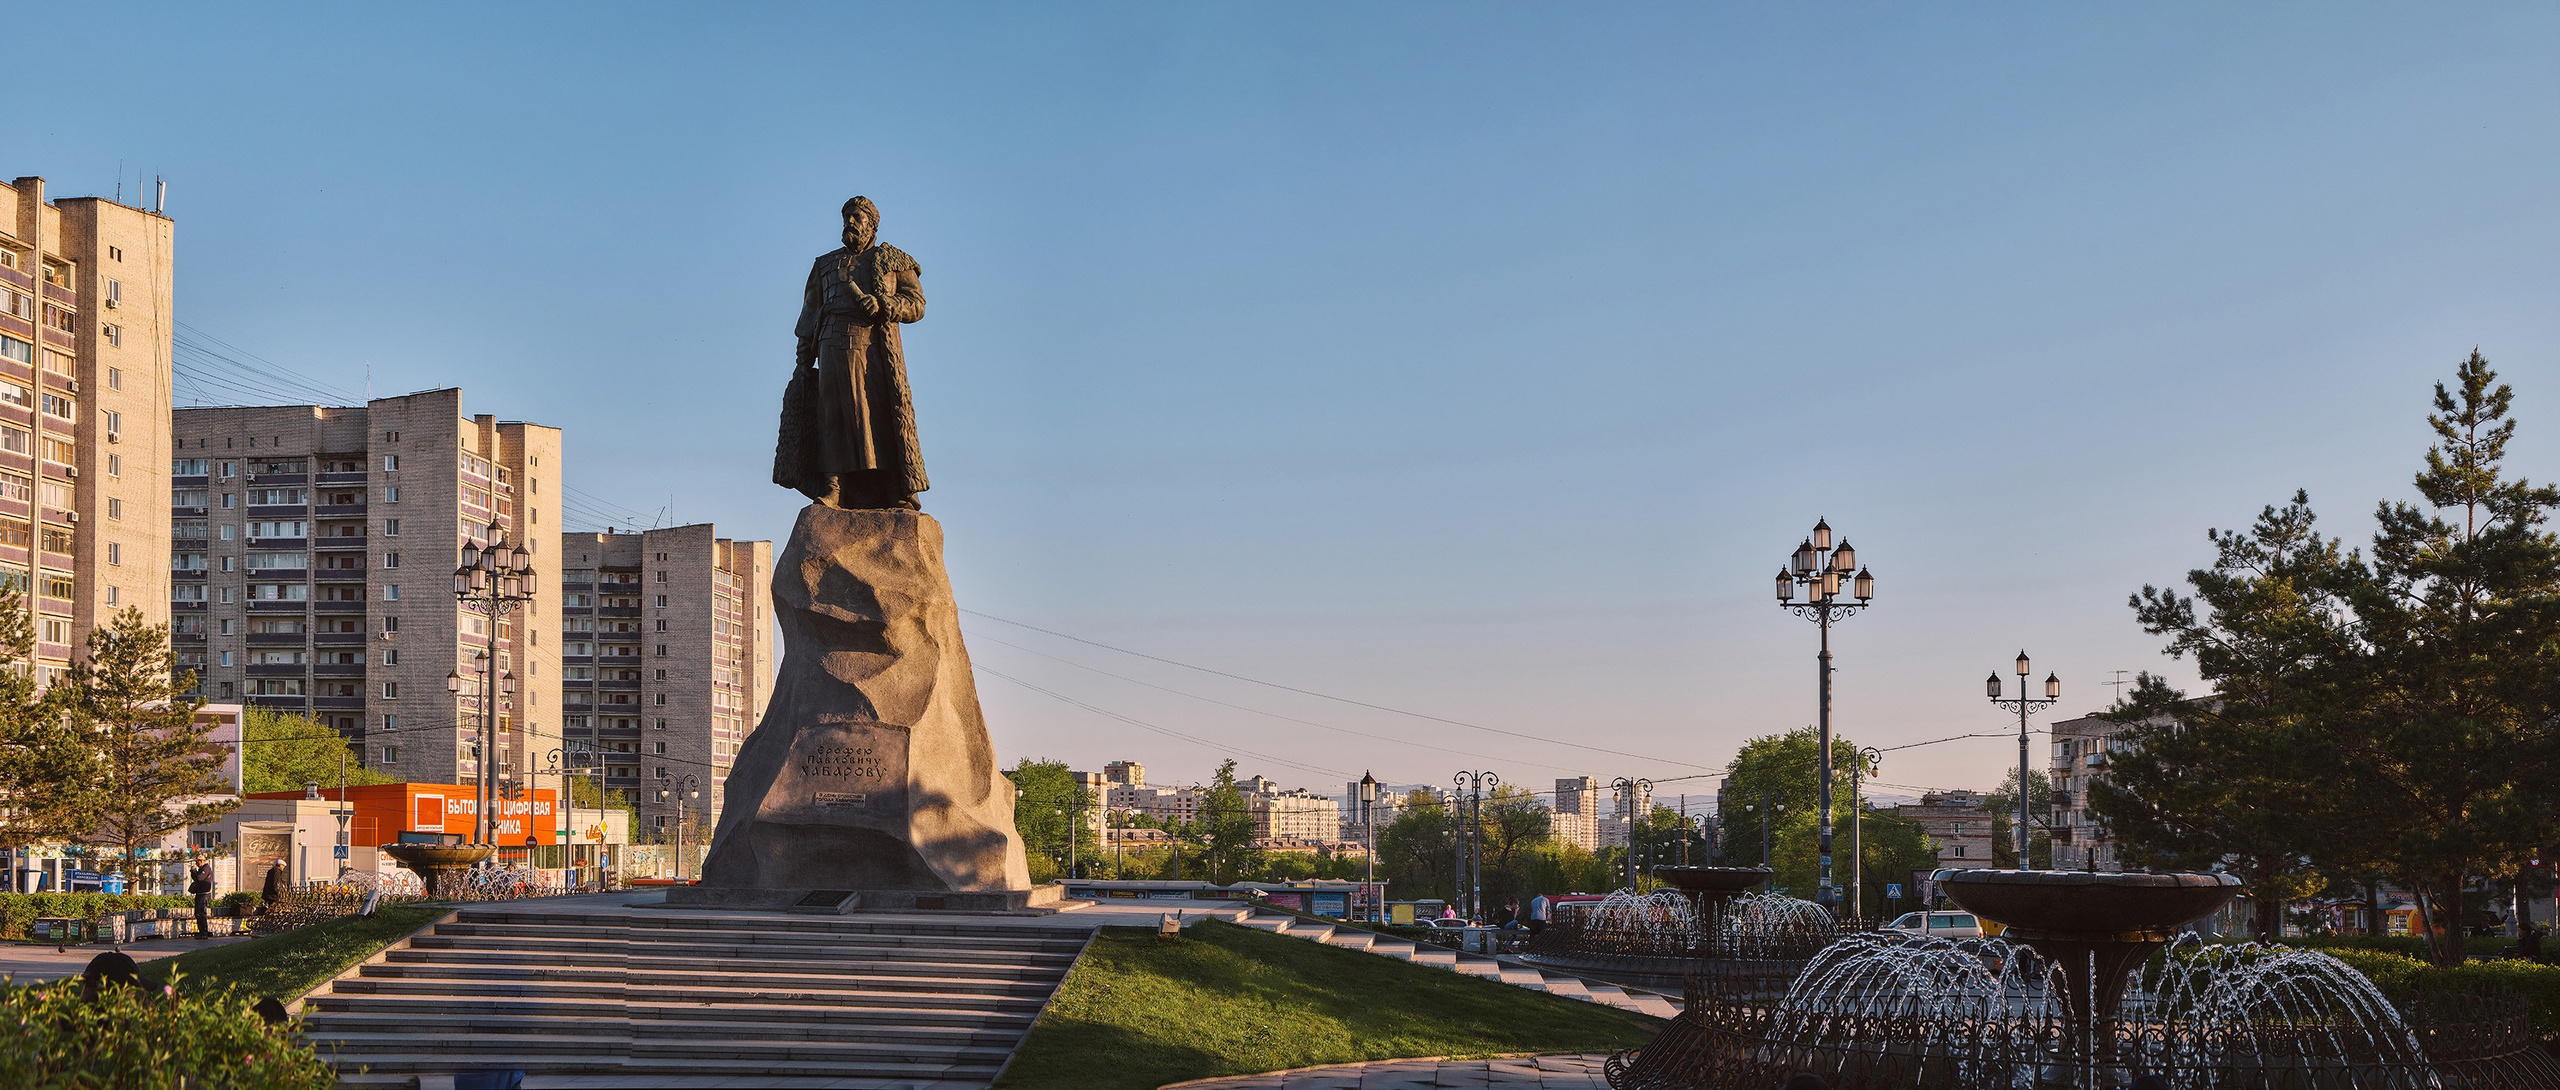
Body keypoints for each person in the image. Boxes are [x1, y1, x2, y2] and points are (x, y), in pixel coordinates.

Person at [188, 859, 215, 938]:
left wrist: (194, 871)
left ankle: (204, 932)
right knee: (198, 913)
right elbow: (196, 879)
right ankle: (202, 931)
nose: (196, 863)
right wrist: (193, 872)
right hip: (199, 893)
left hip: (204, 894)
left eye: (198, 862)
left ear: (202, 861)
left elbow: (200, 878)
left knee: (201, 913)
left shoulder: (206, 868)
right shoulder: (201, 869)